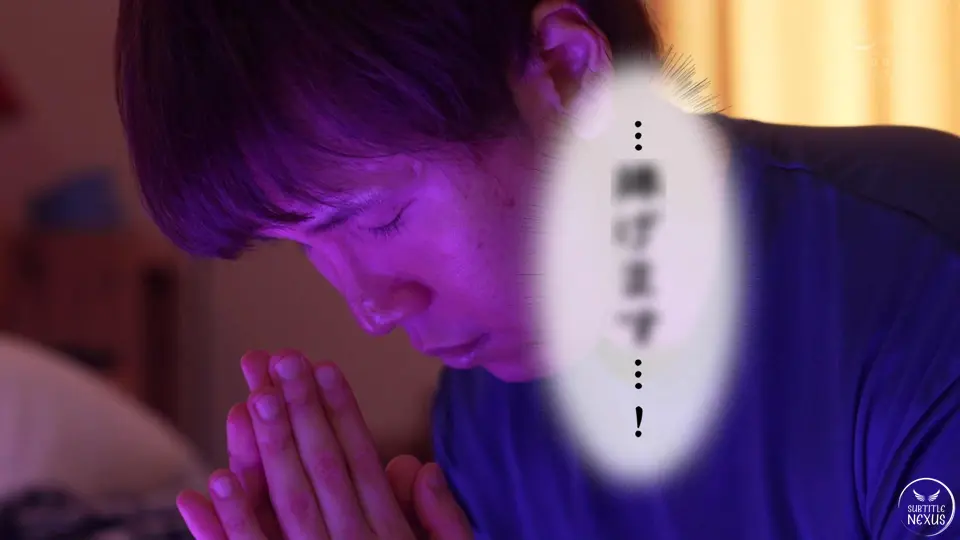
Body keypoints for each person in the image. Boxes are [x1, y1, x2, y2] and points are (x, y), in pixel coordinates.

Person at [114, 1, 960, 538]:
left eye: (378, 216)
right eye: (305, 242)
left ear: (566, 71)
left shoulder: (922, 289)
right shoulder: (489, 408)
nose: (370, 305)